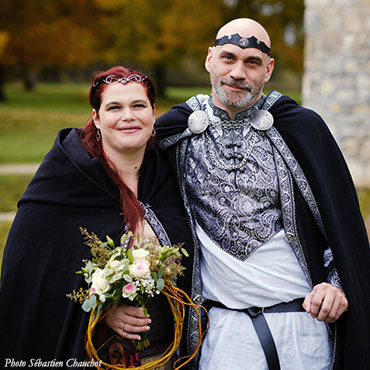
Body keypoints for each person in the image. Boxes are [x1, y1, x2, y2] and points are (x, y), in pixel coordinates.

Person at [154, 18, 370, 370]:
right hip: (222, 335)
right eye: (228, 58)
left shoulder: (302, 129)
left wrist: (337, 285)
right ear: (210, 59)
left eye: (252, 62)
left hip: (304, 330)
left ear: (268, 70)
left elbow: (343, 228)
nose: (238, 72)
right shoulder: (173, 134)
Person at [0, 66, 195, 368]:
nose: (128, 116)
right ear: (96, 117)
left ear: (154, 112)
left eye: (138, 105)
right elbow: (30, 275)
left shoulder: (169, 173)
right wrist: (102, 309)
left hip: (168, 357)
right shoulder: (66, 178)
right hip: (92, 356)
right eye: (114, 107)